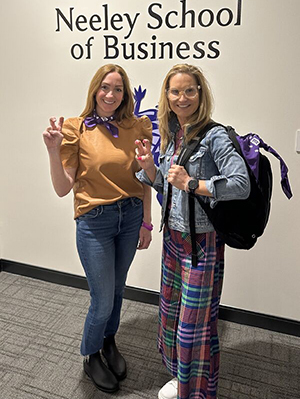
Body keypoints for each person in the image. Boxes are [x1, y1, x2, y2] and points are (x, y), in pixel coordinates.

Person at [135, 64, 250, 399]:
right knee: (170, 314)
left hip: (201, 244)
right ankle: (180, 378)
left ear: (201, 93)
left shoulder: (214, 135)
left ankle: (197, 392)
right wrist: (150, 170)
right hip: (173, 238)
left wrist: (193, 182)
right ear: (166, 96)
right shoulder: (174, 134)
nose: (182, 97)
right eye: (175, 91)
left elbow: (240, 184)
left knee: (192, 328)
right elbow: (170, 188)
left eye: (189, 90)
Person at [43, 64, 153, 394]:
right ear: (95, 90)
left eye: (118, 89)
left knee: (118, 290)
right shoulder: (77, 129)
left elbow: (144, 178)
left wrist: (147, 220)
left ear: (125, 94)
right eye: (105, 87)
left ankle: (109, 342)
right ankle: (90, 355)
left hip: (131, 216)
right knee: (102, 299)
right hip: (95, 222)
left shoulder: (137, 126)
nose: (110, 94)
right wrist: (52, 150)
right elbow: (64, 187)